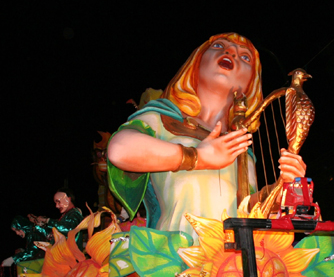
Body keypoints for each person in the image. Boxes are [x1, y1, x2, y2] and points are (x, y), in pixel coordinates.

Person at [107, 33, 306, 241]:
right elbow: (119, 149)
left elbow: (246, 210)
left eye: (245, 57)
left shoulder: (241, 149)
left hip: (231, 265)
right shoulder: (165, 119)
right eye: (219, 46)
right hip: (177, 260)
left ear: (251, 83)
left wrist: (280, 190)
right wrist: (199, 157)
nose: (231, 53)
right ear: (196, 63)